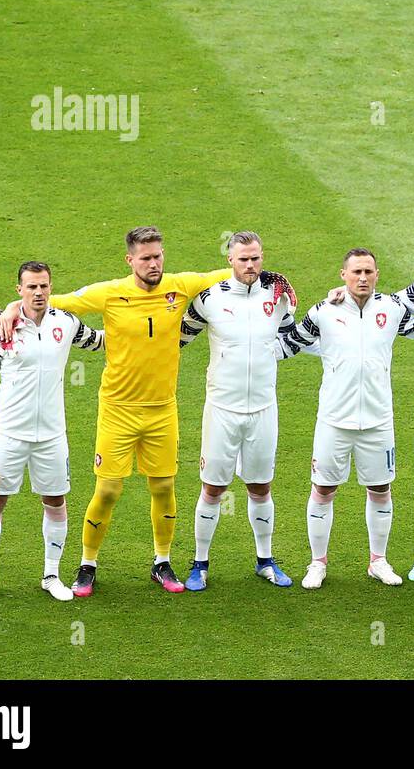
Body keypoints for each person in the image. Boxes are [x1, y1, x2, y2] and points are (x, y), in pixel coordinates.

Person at [0, 226, 295, 595]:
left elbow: (233, 271)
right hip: (118, 409)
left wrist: (266, 275)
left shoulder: (180, 286)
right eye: (146, 258)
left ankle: (162, 562)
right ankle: (87, 564)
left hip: (162, 409)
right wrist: (12, 307)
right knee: (106, 490)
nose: (154, 264)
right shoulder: (109, 293)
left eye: (158, 256)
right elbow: (54, 300)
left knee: (165, 487)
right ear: (130, 260)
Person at [282, 248, 414, 588]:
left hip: (378, 420)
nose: (363, 278)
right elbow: (291, 342)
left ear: (377, 275)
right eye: (356, 272)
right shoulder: (324, 311)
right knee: (323, 488)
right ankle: (317, 563)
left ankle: (378, 561)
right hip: (334, 419)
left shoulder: (392, 310)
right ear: (343, 275)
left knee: (380, 488)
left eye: (369, 272)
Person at [0, 262, 104, 603]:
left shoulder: (66, 323)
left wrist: (146, 325)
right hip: (8, 434)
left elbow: (102, 342)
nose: (39, 293)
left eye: (44, 286)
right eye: (31, 287)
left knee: (56, 501)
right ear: (19, 290)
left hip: (52, 435)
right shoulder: (1, 330)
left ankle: (52, 574)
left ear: (50, 287)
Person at [178, 231, 300, 590]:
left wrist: (268, 354)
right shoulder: (209, 299)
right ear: (229, 260)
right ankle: (199, 564)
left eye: (256, 259)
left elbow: (293, 339)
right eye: (243, 259)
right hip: (222, 409)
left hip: (263, 408)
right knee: (213, 488)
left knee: (261, 486)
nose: (250, 266)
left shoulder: (278, 297)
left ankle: (265, 560)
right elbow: (179, 338)